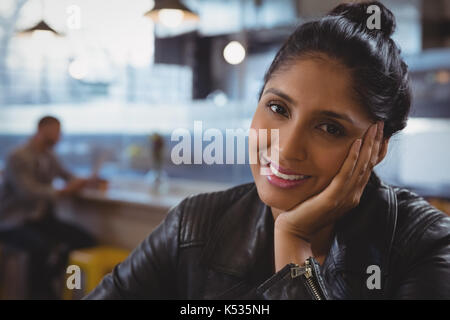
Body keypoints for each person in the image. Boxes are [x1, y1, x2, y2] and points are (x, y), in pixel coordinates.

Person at [84, 2, 449, 299]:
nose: (287, 149)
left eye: (329, 128)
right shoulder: (193, 227)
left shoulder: (425, 246)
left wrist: (293, 246)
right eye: (278, 108)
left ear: (377, 148)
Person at [0, 115, 96, 299]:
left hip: (41, 220)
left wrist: (87, 182)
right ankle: (40, 293)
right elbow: (27, 191)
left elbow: (69, 176)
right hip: (14, 222)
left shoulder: (49, 156)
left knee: (83, 239)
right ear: (41, 130)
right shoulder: (18, 156)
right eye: (56, 131)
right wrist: (63, 192)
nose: (59, 137)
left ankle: (52, 279)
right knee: (40, 247)